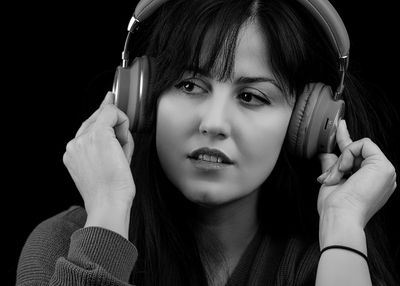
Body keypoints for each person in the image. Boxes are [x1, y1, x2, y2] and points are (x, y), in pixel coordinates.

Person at [16, 0, 400, 285]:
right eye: (189, 85)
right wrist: (108, 214)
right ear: (140, 98)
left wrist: (343, 226)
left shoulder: (334, 261)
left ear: (312, 122)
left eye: (251, 97)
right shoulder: (64, 243)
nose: (214, 124)